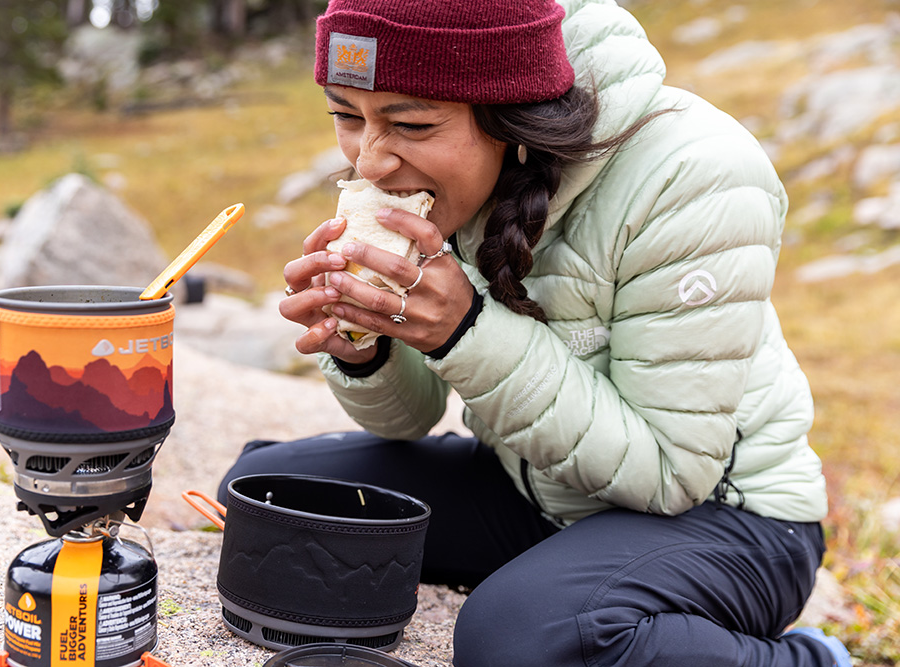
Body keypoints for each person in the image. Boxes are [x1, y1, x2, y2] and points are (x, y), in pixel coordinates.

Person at [219, 0, 852, 664]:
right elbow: (412, 418)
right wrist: (366, 344)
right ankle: (562, 580)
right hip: (539, 487)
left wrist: (464, 330)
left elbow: (672, 472)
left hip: (726, 519)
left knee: (516, 639)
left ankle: (812, 658)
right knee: (264, 496)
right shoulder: (448, 175)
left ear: (510, 116)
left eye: (409, 122)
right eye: (347, 116)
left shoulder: (696, 173)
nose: (371, 161)